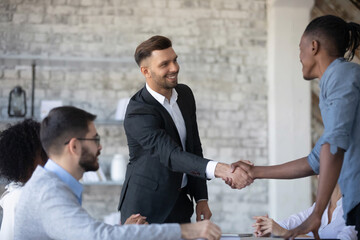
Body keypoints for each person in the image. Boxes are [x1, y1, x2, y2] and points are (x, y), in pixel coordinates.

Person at [229, 15, 360, 239]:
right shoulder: (335, 81)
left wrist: (317, 213)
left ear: (313, 46)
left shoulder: (341, 75)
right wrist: (256, 172)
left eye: (300, 49)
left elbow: (333, 144)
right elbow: (316, 159)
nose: (299, 57)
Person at [14, 106, 222, 240]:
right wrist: (186, 230)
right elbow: (96, 237)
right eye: (95, 140)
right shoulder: (48, 192)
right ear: (74, 147)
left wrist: (124, 229)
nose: (100, 147)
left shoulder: (51, 184)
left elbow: (82, 233)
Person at [118, 35, 253, 224]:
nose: (174, 68)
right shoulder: (138, 112)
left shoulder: (185, 94)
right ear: (146, 71)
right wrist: (222, 170)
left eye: (175, 60)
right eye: (164, 64)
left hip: (181, 202)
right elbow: (171, 155)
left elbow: (193, 147)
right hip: (146, 209)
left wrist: (201, 199)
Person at [253, 184, 357, 239]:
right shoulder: (320, 207)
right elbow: (288, 224)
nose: (317, 174)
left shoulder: (354, 208)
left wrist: (284, 233)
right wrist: (267, 228)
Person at [0, 119, 48, 240]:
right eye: (44, 154)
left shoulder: (14, 192)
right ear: (26, 160)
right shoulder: (22, 198)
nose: (50, 160)